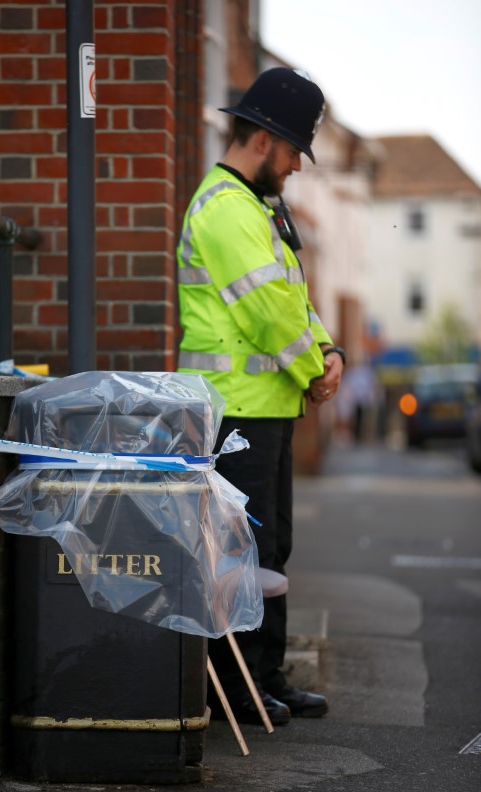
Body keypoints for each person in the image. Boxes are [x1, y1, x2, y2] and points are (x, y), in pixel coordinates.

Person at [176, 67, 345, 725]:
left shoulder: (253, 208)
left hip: (264, 407)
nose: (299, 166)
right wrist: (313, 368)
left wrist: (327, 352)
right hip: (234, 411)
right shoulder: (224, 210)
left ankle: (263, 676)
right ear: (266, 141)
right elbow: (269, 315)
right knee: (242, 555)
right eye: (296, 150)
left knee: (267, 552)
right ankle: (238, 689)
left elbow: (292, 301)